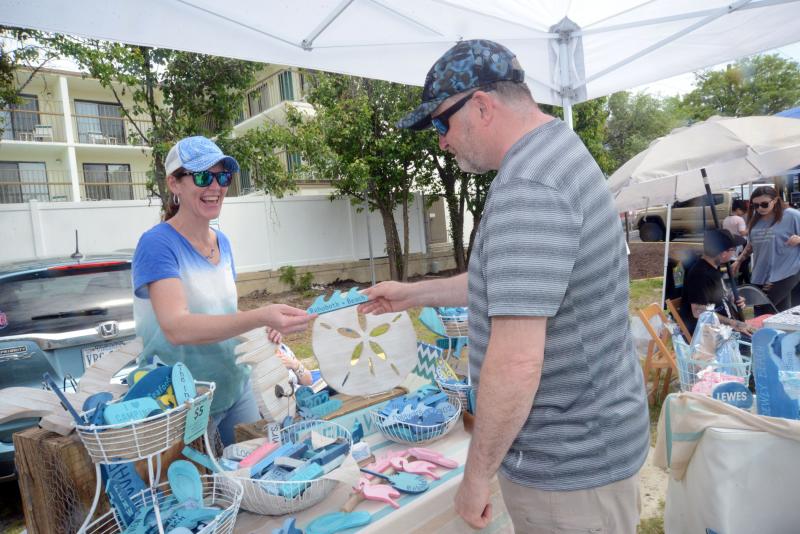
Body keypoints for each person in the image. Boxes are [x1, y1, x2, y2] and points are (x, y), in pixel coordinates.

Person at [359, 40, 649, 533]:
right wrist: (413, 296)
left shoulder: (529, 187)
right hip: (593, 444)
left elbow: (516, 360)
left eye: (440, 123)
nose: (441, 141)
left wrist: (475, 477)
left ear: (481, 106)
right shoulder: (556, 148)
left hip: (568, 468)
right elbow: (511, 282)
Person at [132, 136, 315, 446]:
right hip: (184, 401)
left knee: (251, 476)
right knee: (204, 492)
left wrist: (261, 325)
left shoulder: (222, 243)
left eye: (222, 176)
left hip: (235, 386)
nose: (215, 186)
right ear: (174, 184)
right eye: (202, 176)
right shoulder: (157, 244)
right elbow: (177, 327)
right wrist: (258, 316)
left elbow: (224, 315)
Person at [733, 186, 800, 311]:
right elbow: (752, 244)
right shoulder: (755, 219)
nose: (759, 208)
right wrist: (739, 260)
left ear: (775, 201)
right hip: (761, 274)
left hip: (786, 272)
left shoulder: (792, 215)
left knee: (765, 309)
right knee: (777, 313)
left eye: (764, 204)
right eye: (755, 205)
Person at [680, 229, 755, 336]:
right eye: (733, 249)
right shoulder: (700, 275)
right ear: (724, 254)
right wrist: (733, 323)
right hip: (709, 334)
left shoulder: (714, 267)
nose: (735, 252)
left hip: (723, 328)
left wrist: (731, 297)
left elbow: (715, 294)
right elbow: (698, 312)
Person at [723, 199, 750, 283]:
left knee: (733, 266)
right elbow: (742, 233)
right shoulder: (739, 219)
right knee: (744, 264)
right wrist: (750, 228)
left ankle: (736, 284)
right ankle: (747, 283)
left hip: (729, 245)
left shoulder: (726, 219)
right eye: (743, 211)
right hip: (740, 245)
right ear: (738, 209)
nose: (744, 213)